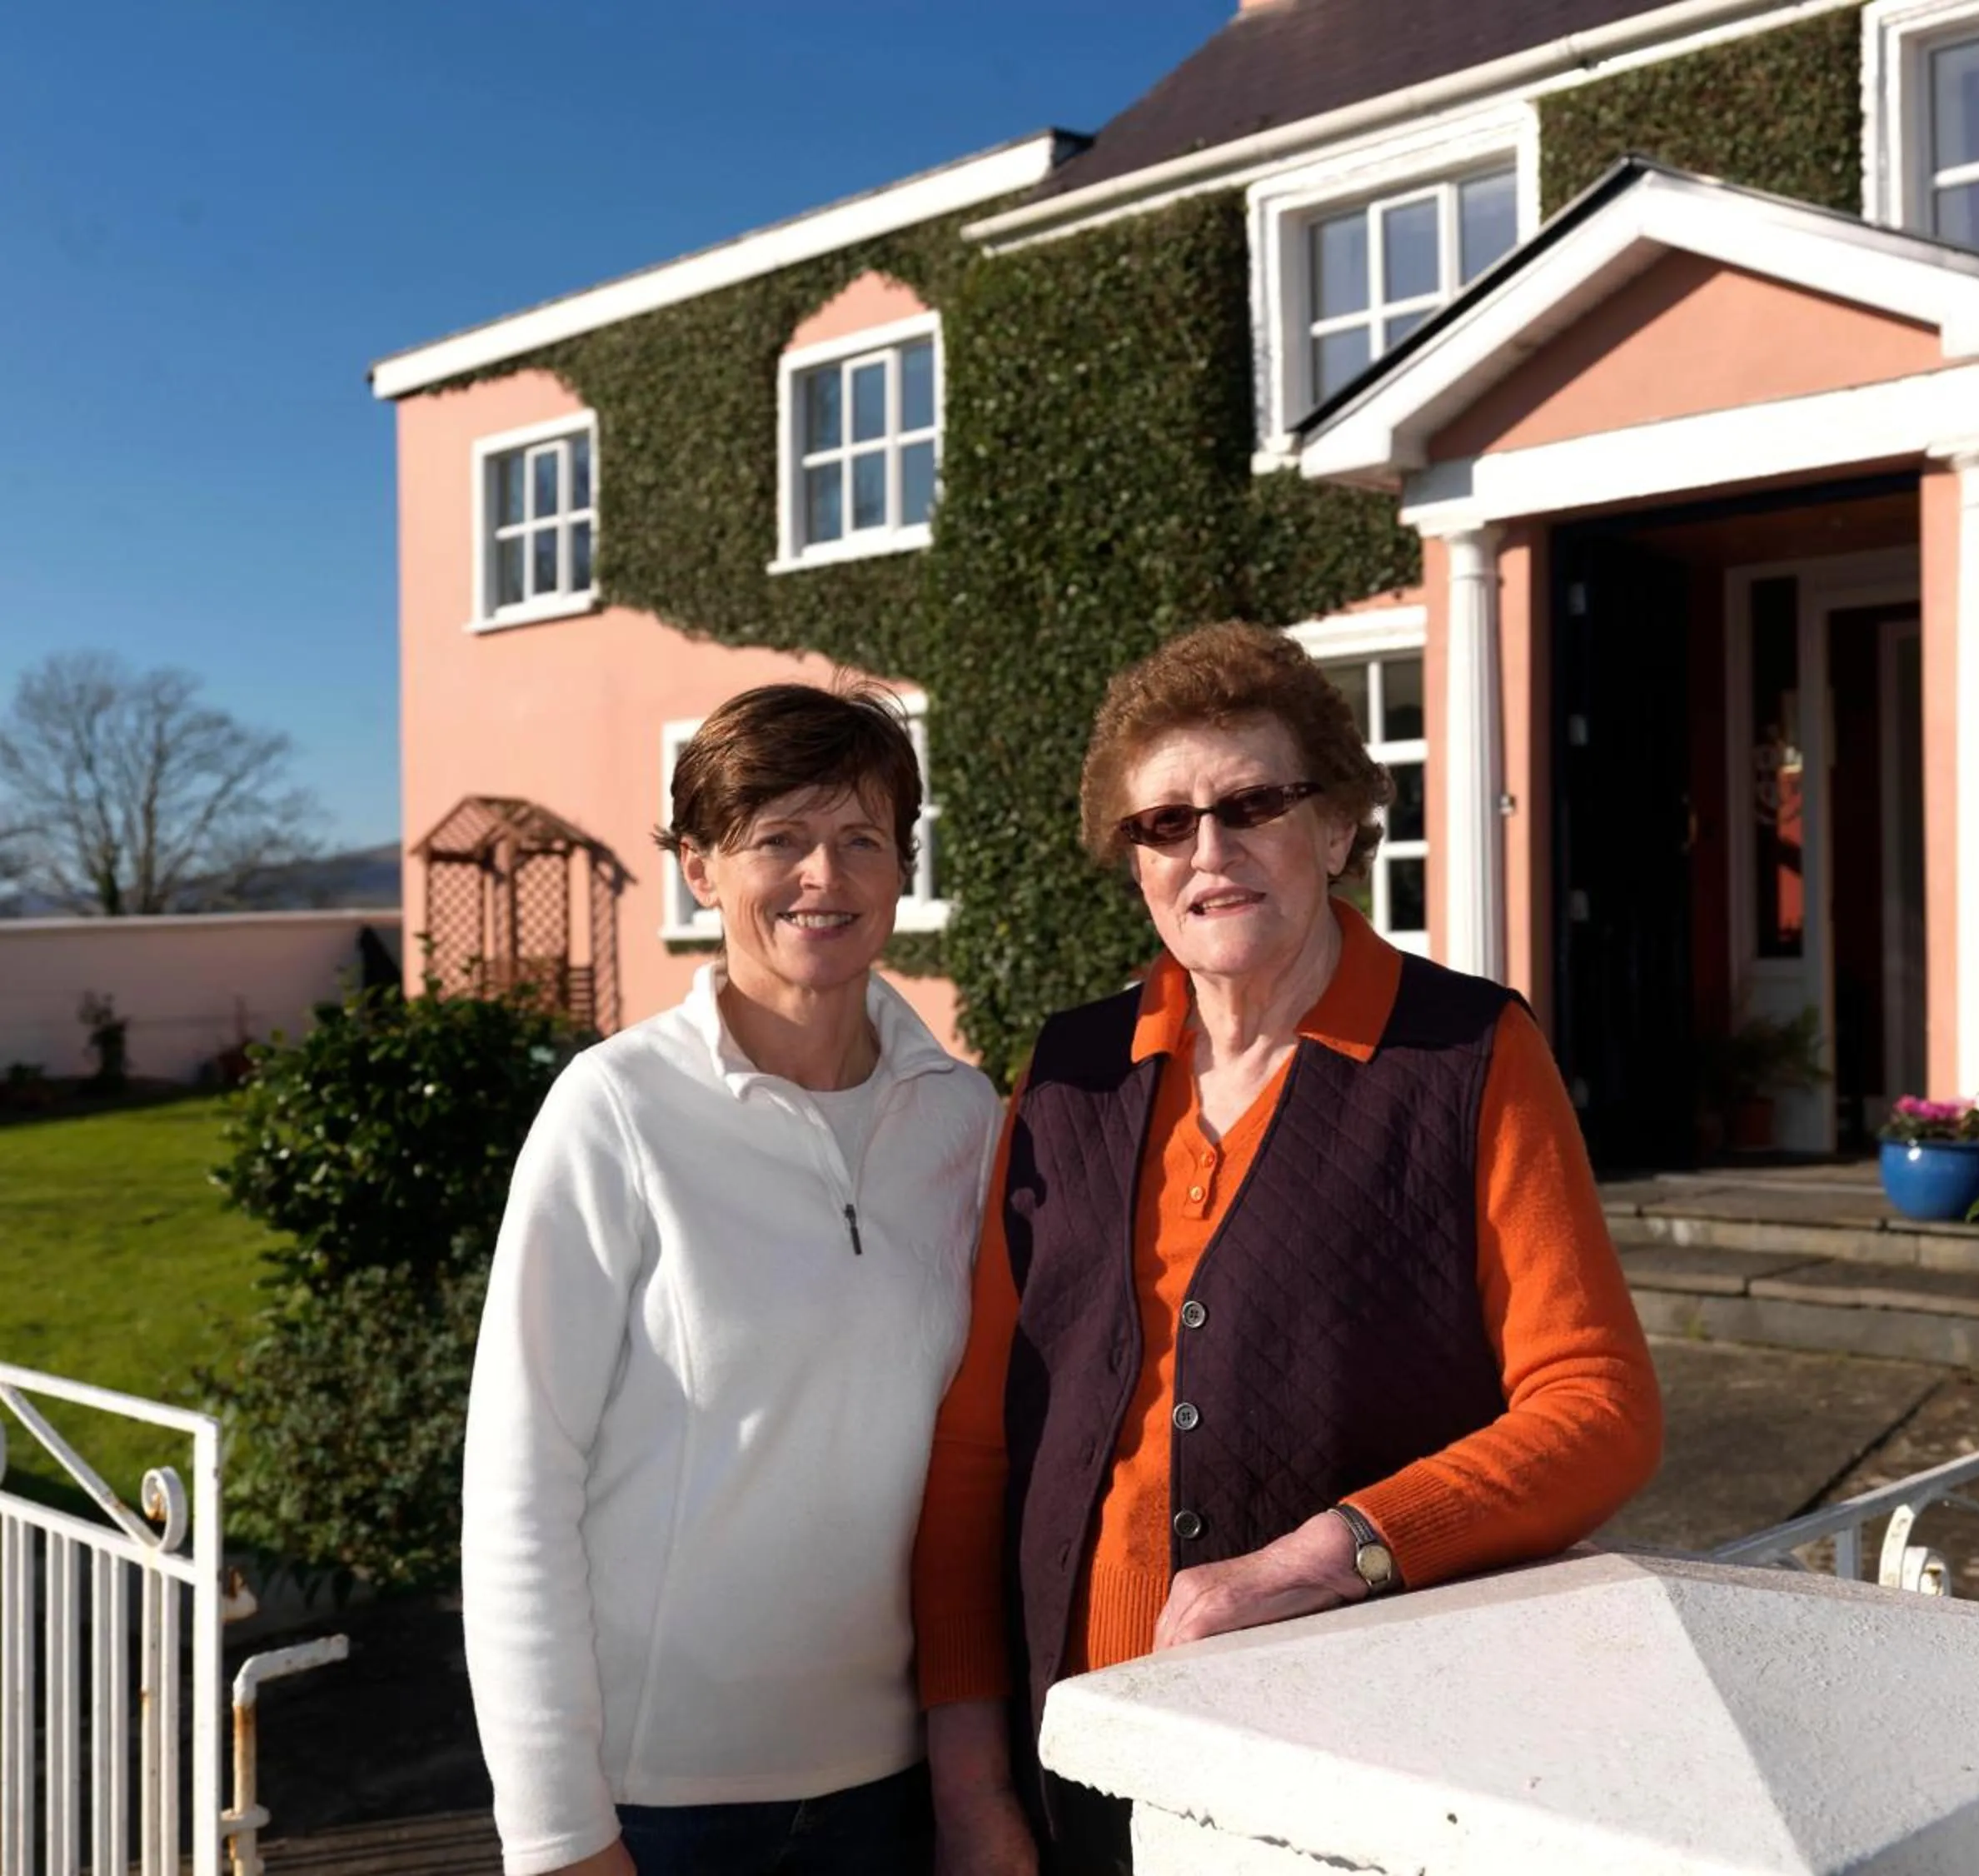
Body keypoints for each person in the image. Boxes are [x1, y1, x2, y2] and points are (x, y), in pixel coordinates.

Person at [912, 624, 1665, 1876]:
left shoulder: (1467, 1056)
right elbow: (979, 1443)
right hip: (1078, 1757)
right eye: (1164, 825)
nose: (1208, 851)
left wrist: (1336, 1554)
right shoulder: (1070, 1073)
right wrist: (971, 1784)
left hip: (1354, 1755)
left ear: (1336, 828)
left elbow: (1600, 1408)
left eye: (1251, 805)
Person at [464, 682, 1001, 1876]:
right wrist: (557, 1833)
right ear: (701, 868)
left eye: (864, 838)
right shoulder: (614, 1112)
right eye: (780, 839)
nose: (827, 874)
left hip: (895, 1794)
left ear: (901, 870)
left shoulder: (965, 1121)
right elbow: (518, 1485)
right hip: (665, 1809)